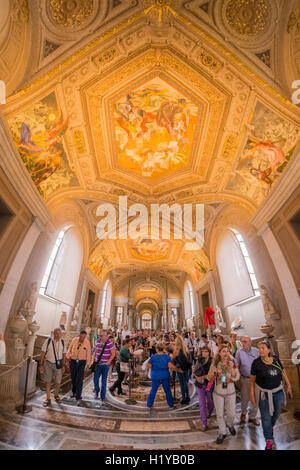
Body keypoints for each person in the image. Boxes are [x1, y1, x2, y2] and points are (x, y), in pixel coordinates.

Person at [250, 340, 293, 450]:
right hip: (263, 394)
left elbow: (283, 372)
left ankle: (269, 427)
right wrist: (252, 394)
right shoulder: (256, 363)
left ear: (269, 350)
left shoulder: (276, 359)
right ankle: (269, 440)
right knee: (265, 418)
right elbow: (252, 381)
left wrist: (289, 386)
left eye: (263, 348)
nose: (260, 350)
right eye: (259, 348)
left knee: (277, 413)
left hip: (278, 392)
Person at [208, 344, 240, 444]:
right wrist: (212, 372)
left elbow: (236, 376)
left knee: (232, 413)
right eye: (223, 351)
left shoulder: (233, 362)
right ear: (219, 353)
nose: (226, 353)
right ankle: (222, 432)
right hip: (218, 392)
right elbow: (209, 378)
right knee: (220, 414)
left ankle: (230, 425)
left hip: (230, 391)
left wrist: (231, 369)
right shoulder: (215, 363)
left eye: (227, 351)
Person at [146, 342, 180, 409]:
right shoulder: (166, 356)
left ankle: (149, 405)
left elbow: (148, 365)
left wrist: (154, 366)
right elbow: (170, 366)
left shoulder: (153, 356)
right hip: (164, 375)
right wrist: (177, 369)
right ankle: (170, 405)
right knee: (167, 390)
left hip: (155, 375)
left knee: (153, 390)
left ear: (157, 349)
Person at [235, 336, 259, 425]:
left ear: (250, 342)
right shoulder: (239, 352)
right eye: (242, 342)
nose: (243, 343)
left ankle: (252, 416)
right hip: (244, 378)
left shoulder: (256, 351)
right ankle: (243, 413)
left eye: (245, 341)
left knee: (256, 399)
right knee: (245, 398)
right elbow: (236, 366)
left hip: (256, 379)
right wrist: (237, 380)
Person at [39, 327, 67, 407]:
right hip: (48, 363)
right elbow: (43, 353)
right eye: (56, 333)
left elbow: (64, 354)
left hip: (58, 364)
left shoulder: (62, 342)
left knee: (58, 381)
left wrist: (63, 365)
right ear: (54, 334)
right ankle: (48, 399)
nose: (58, 335)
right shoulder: (48, 341)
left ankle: (56, 395)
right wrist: (40, 364)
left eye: (59, 334)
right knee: (48, 381)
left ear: (61, 334)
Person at [66, 330, 91, 403]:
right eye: (81, 337)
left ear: (85, 337)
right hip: (73, 361)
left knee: (79, 379)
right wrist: (67, 359)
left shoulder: (87, 343)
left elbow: (89, 354)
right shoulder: (74, 340)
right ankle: (74, 392)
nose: (82, 339)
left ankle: (78, 396)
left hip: (82, 362)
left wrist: (88, 364)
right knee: (73, 378)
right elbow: (69, 349)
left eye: (84, 337)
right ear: (79, 335)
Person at [194, 346, 214, 431]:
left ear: (209, 353)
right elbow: (194, 370)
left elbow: (212, 374)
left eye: (206, 351)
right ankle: (204, 423)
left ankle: (209, 412)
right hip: (200, 384)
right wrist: (196, 377)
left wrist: (202, 377)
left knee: (210, 401)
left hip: (209, 383)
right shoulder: (199, 360)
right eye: (203, 351)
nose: (204, 353)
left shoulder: (212, 362)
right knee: (202, 403)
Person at [92, 330, 115, 401]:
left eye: (101, 336)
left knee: (104, 381)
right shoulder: (98, 341)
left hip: (105, 365)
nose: (100, 337)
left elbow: (113, 354)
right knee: (95, 379)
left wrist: (108, 362)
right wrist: (92, 360)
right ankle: (96, 390)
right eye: (99, 335)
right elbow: (95, 351)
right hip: (97, 364)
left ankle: (102, 396)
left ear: (106, 336)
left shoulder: (110, 343)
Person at [173, 335, 192, 404]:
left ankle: (184, 398)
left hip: (181, 369)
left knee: (182, 384)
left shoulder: (177, 351)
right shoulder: (185, 349)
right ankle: (187, 397)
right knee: (186, 383)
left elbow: (176, 361)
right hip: (187, 369)